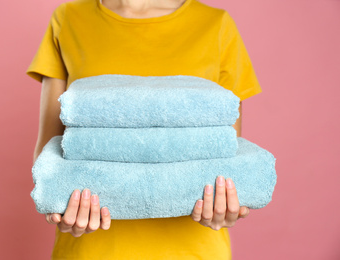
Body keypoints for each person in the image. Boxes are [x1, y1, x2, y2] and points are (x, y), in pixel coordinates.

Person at [26, 0, 262, 258]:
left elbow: (226, 156)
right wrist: (60, 209)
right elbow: (49, 159)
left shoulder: (216, 24)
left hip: (194, 251)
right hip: (90, 250)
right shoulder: (68, 18)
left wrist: (225, 209)